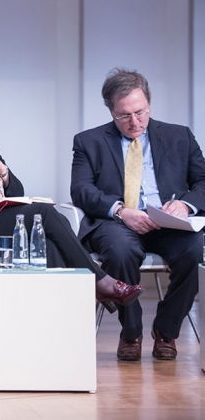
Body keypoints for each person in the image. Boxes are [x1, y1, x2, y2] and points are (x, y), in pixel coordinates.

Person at [0, 74, 142, 307]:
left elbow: (16, 195)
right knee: (44, 214)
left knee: (50, 244)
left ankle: (59, 318)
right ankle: (100, 282)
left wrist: (1, 169)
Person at [71, 68, 205, 361]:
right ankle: (131, 332)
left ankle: (166, 331)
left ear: (149, 104)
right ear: (110, 111)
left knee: (196, 252)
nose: (134, 122)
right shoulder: (88, 141)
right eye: (124, 116)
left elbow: (202, 182)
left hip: (170, 223)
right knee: (120, 251)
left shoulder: (179, 135)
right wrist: (121, 211)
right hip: (117, 223)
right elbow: (80, 190)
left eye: (140, 112)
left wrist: (186, 205)